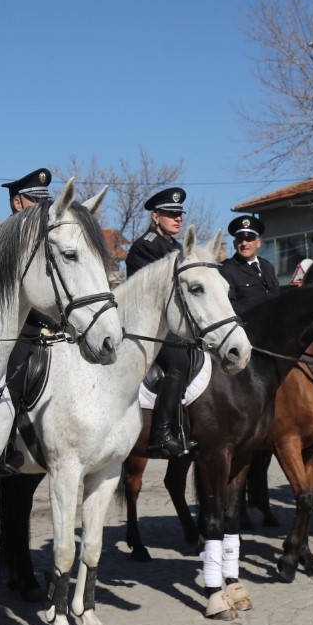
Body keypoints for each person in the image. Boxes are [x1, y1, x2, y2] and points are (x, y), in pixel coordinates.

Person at [125, 186, 194, 457]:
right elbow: (155, 296)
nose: (177, 218)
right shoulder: (146, 247)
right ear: (155, 217)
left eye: (179, 214)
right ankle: (161, 434)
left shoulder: (176, 247)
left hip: (173, 326)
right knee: (179, 363)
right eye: (170, 214)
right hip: (148, 329)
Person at [0, 167, 55, 475]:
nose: (44, 208)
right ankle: (5, 445)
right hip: (14, 327)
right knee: (16, 368)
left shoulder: (46, 238)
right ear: (18, 203)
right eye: (36, 201)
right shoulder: (0, 238)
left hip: (46, 323)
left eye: (45, 201)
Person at [220, 214, 279, 313]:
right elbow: (229, 309)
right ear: (234, 244)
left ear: (258, 242)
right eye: (240, 239)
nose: (244, 243)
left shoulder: (267, 266)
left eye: (249, 239)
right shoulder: (226, 270)